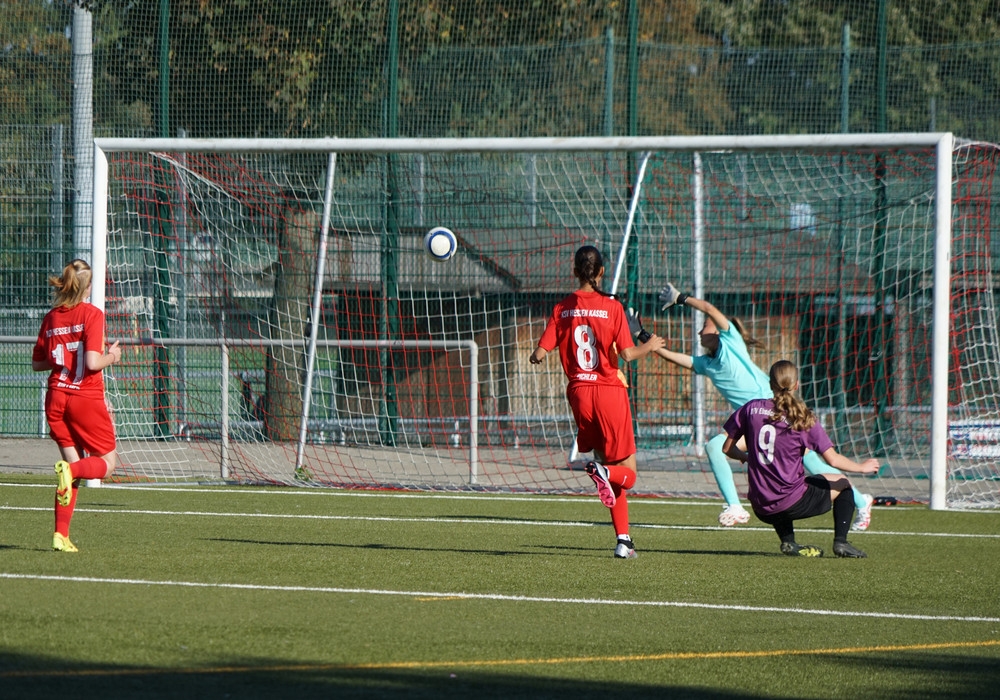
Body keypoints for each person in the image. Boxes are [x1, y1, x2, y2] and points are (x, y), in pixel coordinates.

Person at [627, 284, 875, 529]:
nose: (700, 331)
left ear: (719, 331)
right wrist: (641, 335)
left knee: (812, 463)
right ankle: (737, 506)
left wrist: (681, 298)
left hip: (776, 409)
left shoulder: (731, 342)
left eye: (705, 326)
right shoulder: (707, 363)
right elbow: (674, 357)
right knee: (719, 448)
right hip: (756, 418)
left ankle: (860, 500)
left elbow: (709, 308)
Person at [530, 245, 665, 559]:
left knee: (609, 467)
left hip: (579, 395)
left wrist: (539, 355)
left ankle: (623, 540)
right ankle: (602, 475)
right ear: (601, 271)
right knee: (627, 473)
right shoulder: (612, 307)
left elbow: (539, 353)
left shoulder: (562, 308)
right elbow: (628, 354)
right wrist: (652, 346)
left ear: (575, 272)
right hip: (609, 392)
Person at [721, 359, 879, 557]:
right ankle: (841, 543)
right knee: (843, 484)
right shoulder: (803, 417)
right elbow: (833, 460)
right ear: (796, 385)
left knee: (783, 486)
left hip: (761, 507)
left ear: (770, 384)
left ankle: (789, 543)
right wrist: (862, 467)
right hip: (790, 503)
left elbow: (727, 448)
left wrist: (745, 457)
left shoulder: (751, 409)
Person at [32, 259, 122, 553]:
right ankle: (69, 475)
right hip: (84, 398)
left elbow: (38, 363)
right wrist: (113, 356)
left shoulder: (51, 318)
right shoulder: (92, 314)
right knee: (106, 465)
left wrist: (63, 360)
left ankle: (60, 535)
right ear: (87, 287)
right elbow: (93, 363)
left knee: (71, 469)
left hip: (56, 398)